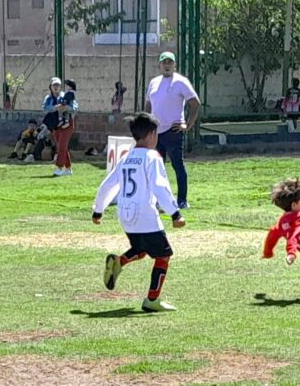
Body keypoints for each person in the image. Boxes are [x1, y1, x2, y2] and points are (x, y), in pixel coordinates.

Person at [92, 112, 186, 313]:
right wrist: (175, 213)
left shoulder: (126, 157)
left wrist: (98, 210)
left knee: (142, 250)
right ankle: (152, 300)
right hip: (144, 214)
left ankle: (119, 262)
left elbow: (107, 185)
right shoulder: (152, 156)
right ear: (152, 134)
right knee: (163, 256)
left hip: (125, 215)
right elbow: (160, 186)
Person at [145, 51, 201, 209]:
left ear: (175, 65)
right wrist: (147, 124)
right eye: (164, 62)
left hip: (173, 131)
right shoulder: (154, 82)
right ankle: (158, 200)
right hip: (156, 132)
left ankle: (182, 200)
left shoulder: (181, 82)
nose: (167, 65)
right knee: (157, 168)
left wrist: (187, 125)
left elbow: (195, 103)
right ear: (159, 65)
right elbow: (149, 104)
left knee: (178, 166)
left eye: (170, 62)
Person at [42, 77, 77, 176]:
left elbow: (75, 107)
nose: (56, 87)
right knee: (62, 147)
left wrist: (66, 107)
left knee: (61, 146)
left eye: (58, 85)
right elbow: (44, 109)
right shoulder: (48, 98)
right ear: (51, 87)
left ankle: (59, 167)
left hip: (67, 124)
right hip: (55, 124)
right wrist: (55, 108)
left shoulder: (66, 96)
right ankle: (68, 169)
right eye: (54, 85)